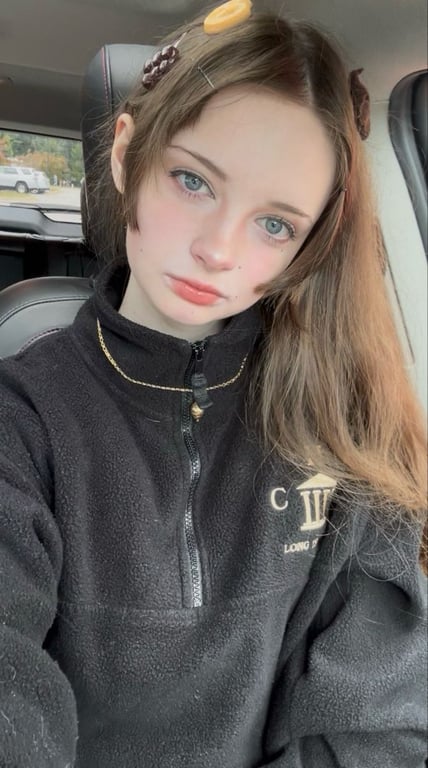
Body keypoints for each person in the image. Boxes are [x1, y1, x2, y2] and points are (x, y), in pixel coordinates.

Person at [0, 2, 426, 767]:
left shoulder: (342, 418)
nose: (219, 250)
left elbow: (378, 718)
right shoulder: (20, 421)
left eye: (275, 224)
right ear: (127, 154)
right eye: (193, 181)